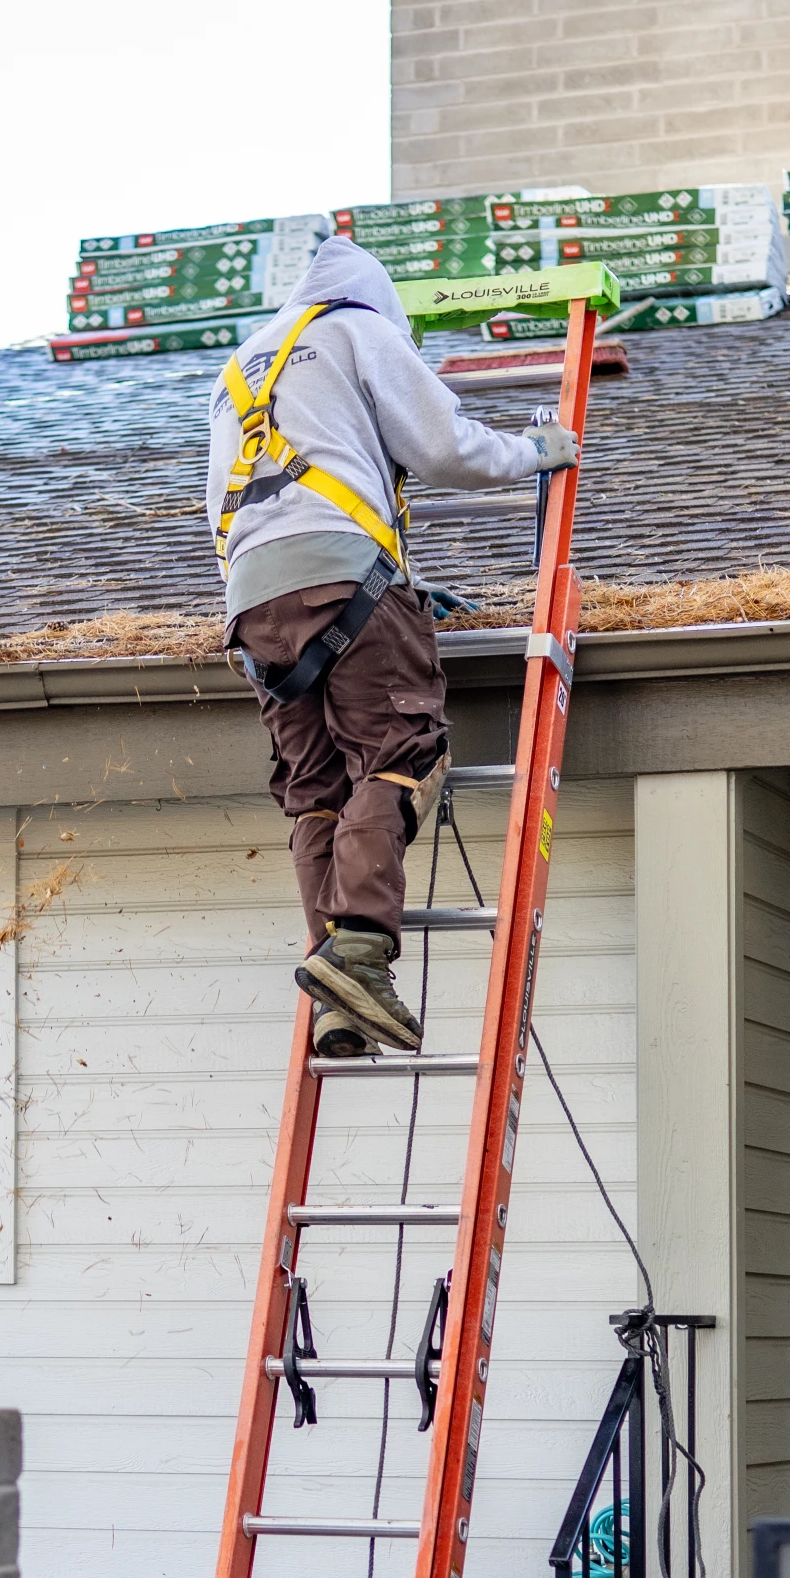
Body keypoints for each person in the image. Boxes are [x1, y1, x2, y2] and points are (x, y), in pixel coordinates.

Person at [206, 236, 577, 1058]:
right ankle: (362, 955)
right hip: (344, 580)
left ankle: (339, 998)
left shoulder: (240, 370)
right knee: (403, 753)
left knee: (317, 791)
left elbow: (252, 509)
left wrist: (393, 583)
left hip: (255, 607)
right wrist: (534, 454)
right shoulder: (359, 329)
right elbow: (443, 446)